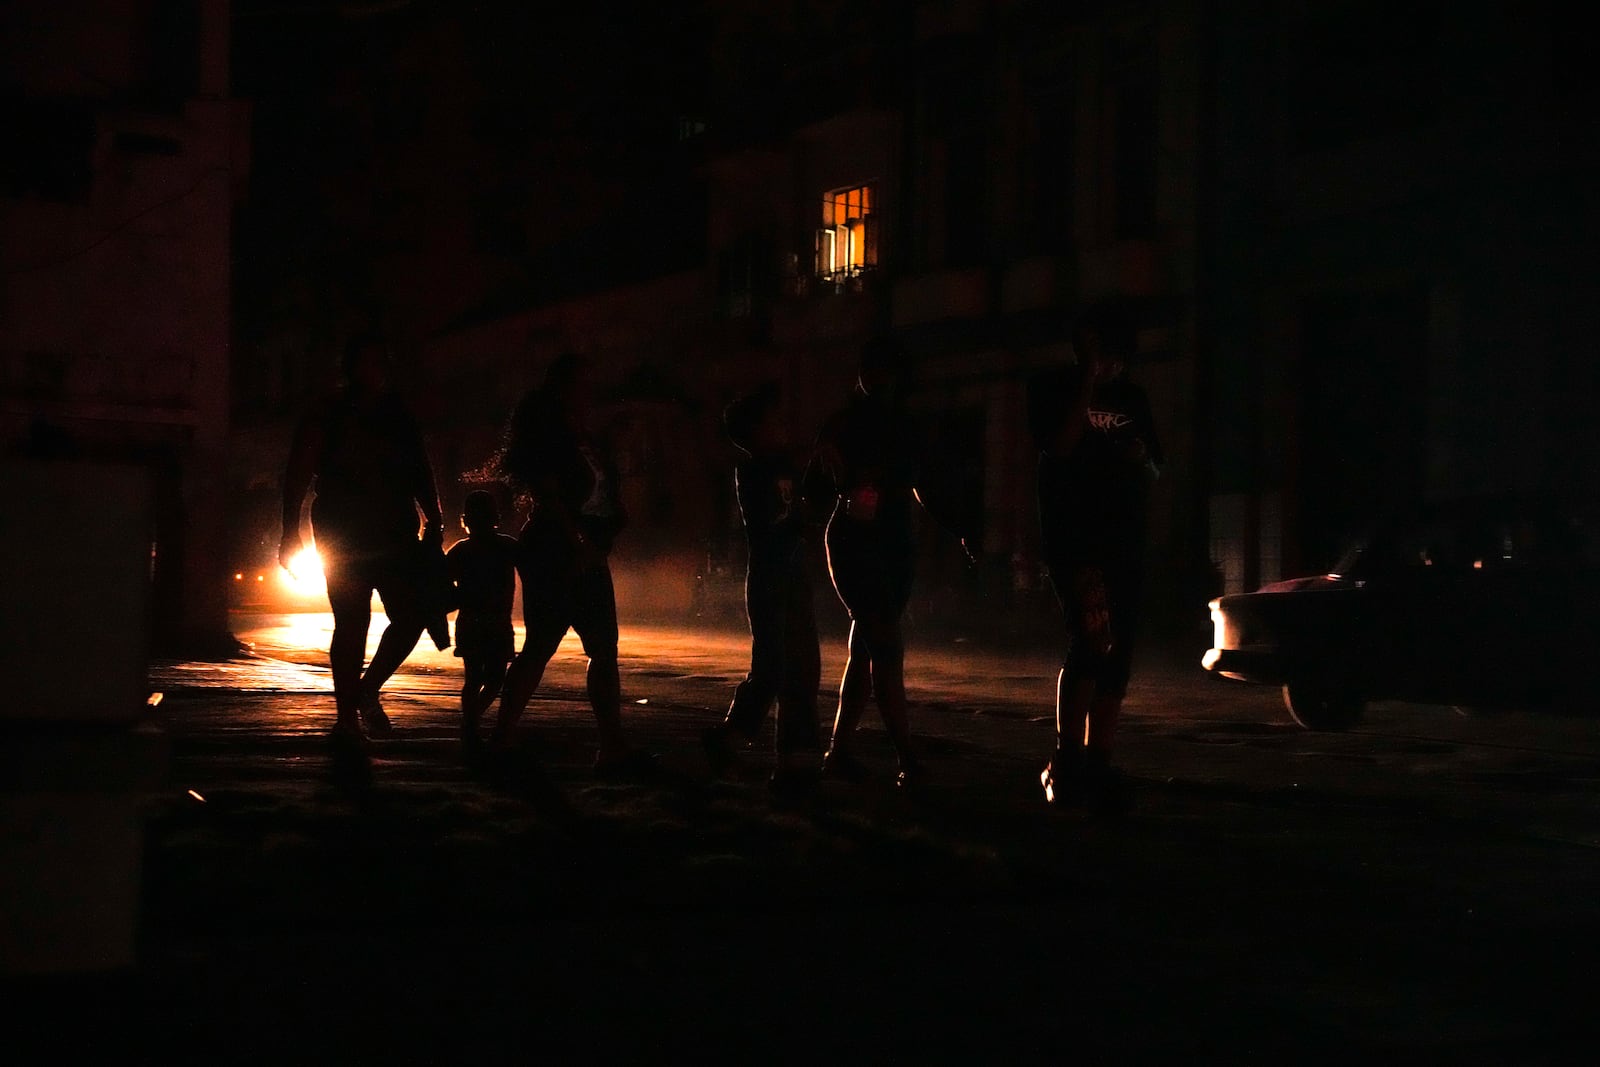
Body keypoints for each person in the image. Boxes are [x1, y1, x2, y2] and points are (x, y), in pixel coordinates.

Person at [807, 336, 974, 788]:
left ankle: (839, 753)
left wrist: (958, 525)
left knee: (867, 648)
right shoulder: (848, 424)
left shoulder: (896, 424)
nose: (878, 379)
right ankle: (906, 756)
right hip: (862, 539)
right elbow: (815, 486)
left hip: (890, 538)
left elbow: (926, 484)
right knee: (883, 645)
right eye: (872, 370)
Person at [480, 353, 650, 774]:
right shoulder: (550, 439)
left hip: (588, 550)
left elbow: (605, 498)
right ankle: (501, 739)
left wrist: (598, 541)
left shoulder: (587, 439)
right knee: (541, 646)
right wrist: (578, 542)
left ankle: (612, 746)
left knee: (603, 649)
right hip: (555, 551)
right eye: (582, 384)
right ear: (563, 390)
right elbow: (552, 498)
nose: (590, 393)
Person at [1028, 299, 1162, 814]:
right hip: (1075, 541)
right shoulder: (1052, 389)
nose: (1105, 363)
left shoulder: (1135, 398)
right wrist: (1085, 382)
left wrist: (1142, 457)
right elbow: (1058, 446)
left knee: (1118, 653)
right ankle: (1064, 761)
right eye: (1093, 352)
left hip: (1124, 540)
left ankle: (1099, 761)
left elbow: (1156, 467)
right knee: (1089, 641)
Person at [279, 333, 444, 746]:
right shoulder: (328, 412)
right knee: (351, 622)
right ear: (351, 367)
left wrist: (434, 515)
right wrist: (290, 530)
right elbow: (299, 471)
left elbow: (418, 466)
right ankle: (347, 718)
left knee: (413, 615)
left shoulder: (397, 413)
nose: (373, 370)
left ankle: (364, 691)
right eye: (366, 361)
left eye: (378, 362)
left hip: (395, 528)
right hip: (343, 529)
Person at [702, 382, 823, 796]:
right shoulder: (753, 472)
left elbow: (803, 503)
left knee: (803, 665)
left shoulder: (785, 465)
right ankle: (731, 737)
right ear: (755, 432)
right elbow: (770, 525)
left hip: (793, 575)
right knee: (773, 666)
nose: (782, 426)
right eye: (773, 421)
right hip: (771, 577)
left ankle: (796, 758)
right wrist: (801, 523)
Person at [447, 490, 519, 754]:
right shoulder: (508, 546)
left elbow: (442, 583)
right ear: (495, 518)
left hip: (470, 623)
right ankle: (471, 721)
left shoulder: (460, 550)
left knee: (473, 677)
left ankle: (470, 723)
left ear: (466, 520)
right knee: (495, 678)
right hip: (497, 624)